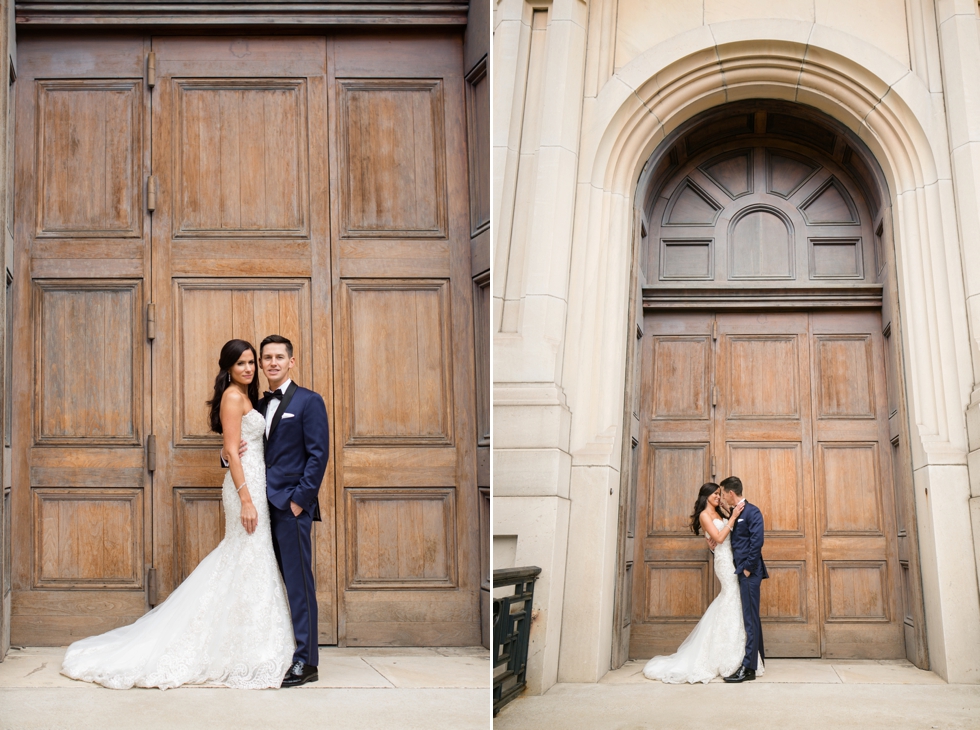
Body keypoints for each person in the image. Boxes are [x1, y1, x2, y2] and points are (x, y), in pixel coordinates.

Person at [61, 339, 294, 689]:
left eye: (250, 363)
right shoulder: (233, 396)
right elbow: (232, 449)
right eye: (241, 363)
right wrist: (246, 498)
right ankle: (239, 647)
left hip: (255, 482)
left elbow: (240, 446)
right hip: (245, 488)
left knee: (249, 557)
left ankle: (247, 641)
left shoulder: (248, 396)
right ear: (228, 368)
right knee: (246, 553)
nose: (248, 368)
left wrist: (242, 473)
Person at [223, 334, 328, 688]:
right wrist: (226, 456)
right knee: (269, 582)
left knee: (299, 584)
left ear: (291, 362)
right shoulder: (257, 402)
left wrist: (300, 500)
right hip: (261, 507)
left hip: (289, 507)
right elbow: (244, 446)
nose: (270, 363)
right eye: (265, 357)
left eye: (278, 357)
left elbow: (318, 456)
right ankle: (276, 651)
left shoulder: (310, 401)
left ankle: (306, 661)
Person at [643, 482, 748, 684]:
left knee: (732, 599)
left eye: (720, 493)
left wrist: (729, 516)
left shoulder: (720, 512)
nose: (718, 497)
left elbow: (724, 539)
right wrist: (732, 518)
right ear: (706, 495)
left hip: (731, 558)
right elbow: (718, 537)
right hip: (724, 563)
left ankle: (730, 649)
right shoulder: (704, 515)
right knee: (731, 596)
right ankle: (723, 654)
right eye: (715, 494)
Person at [718, 475, 768, 683]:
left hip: (749, 573)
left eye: (723, 493)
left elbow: (757, 541)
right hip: (740, 572)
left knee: (750, 619)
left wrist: (747, 568)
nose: (722, 497)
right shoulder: (733, 512)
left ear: (731, 493)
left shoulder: (752, 511)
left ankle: (748, 668)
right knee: (751, 617)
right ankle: (759, 659)